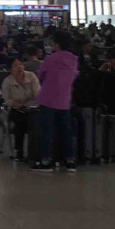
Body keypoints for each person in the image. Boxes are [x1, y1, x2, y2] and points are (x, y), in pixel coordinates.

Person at [32, 32, 79, 173]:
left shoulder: (50, 59)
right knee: (66, 131)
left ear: (56, 44)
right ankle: (69, 160)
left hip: (48, 99)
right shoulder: (74, 59)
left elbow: (41, 75)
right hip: (64, 100)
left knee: (47, 131)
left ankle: (46, 161)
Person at [0, 55, 40, 161]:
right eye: (15, 66)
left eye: (21, 64)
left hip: (32, 107)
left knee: (36, 120)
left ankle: (35, 152)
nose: (19, 67)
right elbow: (7, 100)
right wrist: (18, 105)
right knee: (20, 121)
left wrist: (32, 103)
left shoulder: (31, 76)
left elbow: (37, 94)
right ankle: (19, 150)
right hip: (16, 108)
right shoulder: (7, 81)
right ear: (9, 69)